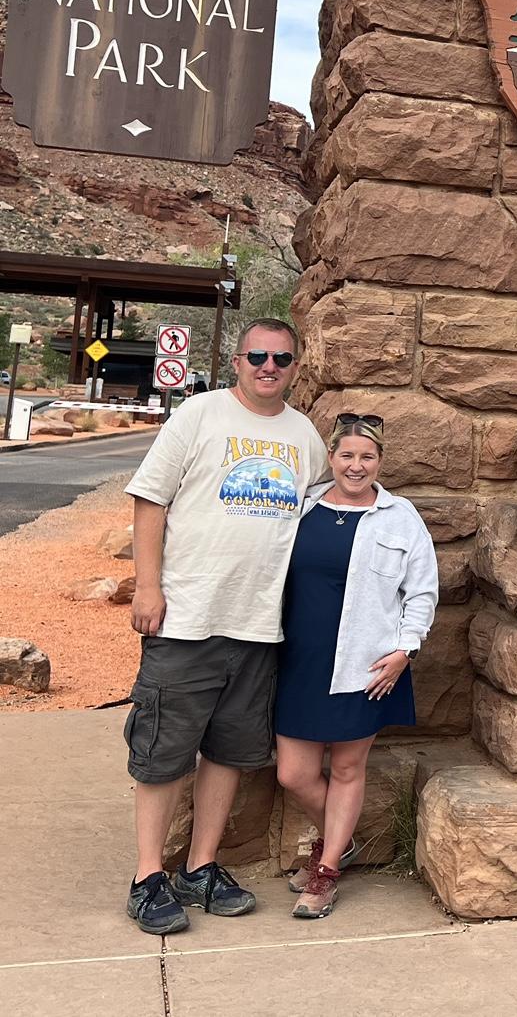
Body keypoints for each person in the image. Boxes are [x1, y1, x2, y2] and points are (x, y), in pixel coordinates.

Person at [122, 319, 329, 936]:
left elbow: (324, 506)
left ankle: (202, 866)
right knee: (162, 752)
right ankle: (147, 875)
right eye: (258, 356)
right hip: (188, 615)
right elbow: (150, 500)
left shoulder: (304, 435)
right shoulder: (199, 416)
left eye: (282, 358)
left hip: (260, 623)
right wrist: (148, 585)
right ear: (238, 361)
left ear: (296, 366)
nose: (270, 366)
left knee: (230, 752)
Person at [274, 413, 437, 919]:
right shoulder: (301, 509)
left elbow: (422, 590)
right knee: (293, 774)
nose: (356, 464)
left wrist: (404, 651)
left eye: (367, 456)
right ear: (332, 458)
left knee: (347, 768)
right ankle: (339, 843)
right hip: (299, 660)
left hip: (367, 666)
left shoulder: (399, 516)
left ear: (380, 461)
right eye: (347, 454)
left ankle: (325, 873)